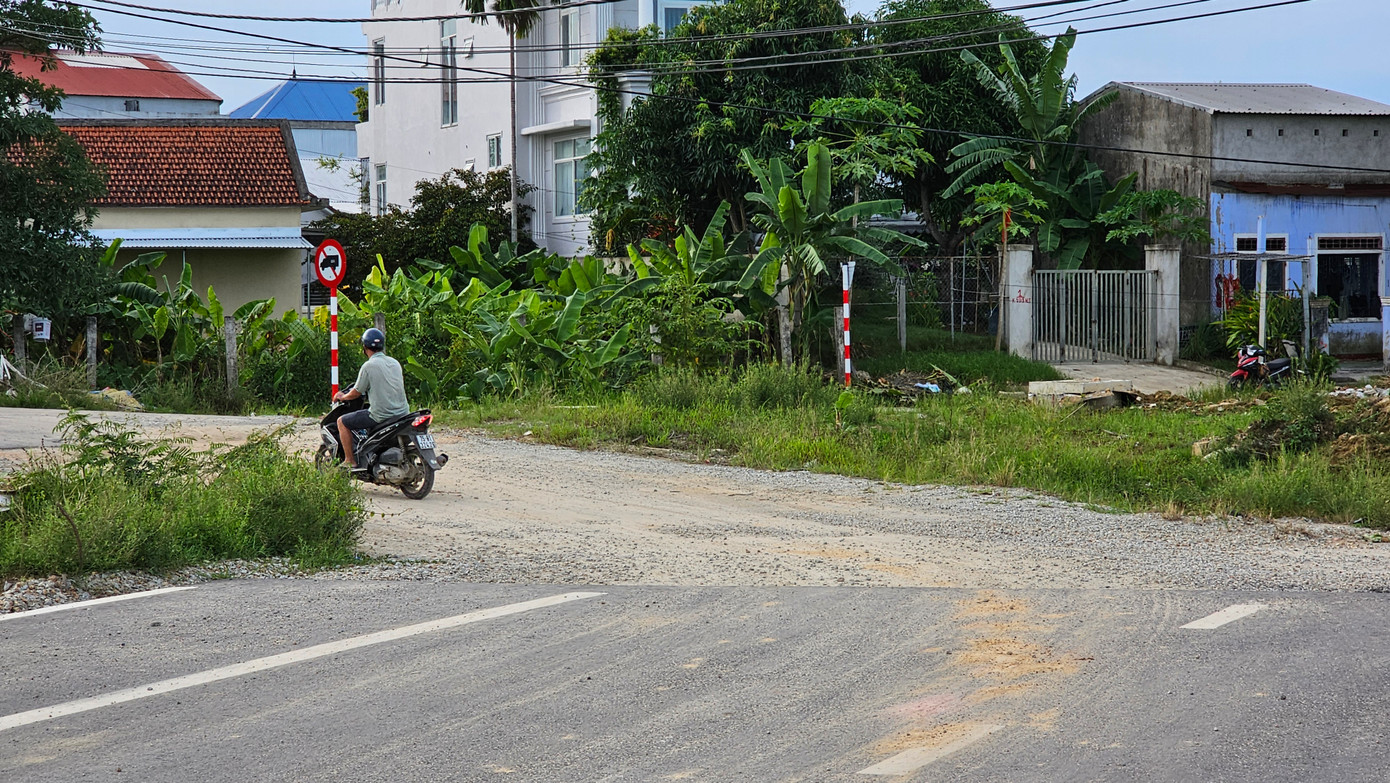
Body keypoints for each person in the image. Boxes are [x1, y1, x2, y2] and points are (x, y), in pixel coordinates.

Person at [333, 328, 410, 470]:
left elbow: (356, 392)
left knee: (342, 421)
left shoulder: (368, 366)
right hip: (402, 413)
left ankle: (350, 461)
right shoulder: (394, 362)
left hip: (380, 415)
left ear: (364, 347)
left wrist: (342, 396)